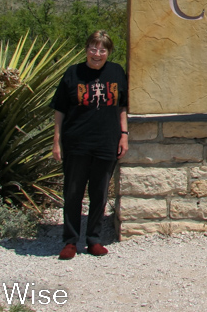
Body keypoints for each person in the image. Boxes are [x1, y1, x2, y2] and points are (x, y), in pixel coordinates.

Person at [50, 30, 129, 260]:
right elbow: (60, 109)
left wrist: (124, 134)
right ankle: (70, 240)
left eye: (102, 49)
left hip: (107, 140)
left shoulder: (116, 72)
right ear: (86, 50)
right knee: (73, 192)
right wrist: (56, 140)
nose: (97, 54)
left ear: (109, 52)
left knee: (99, 192)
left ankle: (94, 239)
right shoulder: (72, 73)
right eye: (93, 49)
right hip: (76, 141)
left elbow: (122, 106)